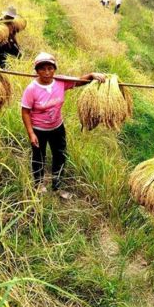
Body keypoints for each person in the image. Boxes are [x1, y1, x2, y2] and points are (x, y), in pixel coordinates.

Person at [21, 52, 106, 199]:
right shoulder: (31, 89)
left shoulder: (60, 82)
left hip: (57, 128)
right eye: (42, 69)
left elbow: (80, 81)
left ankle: (57, 185)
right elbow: (25, 112)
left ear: (55, 69)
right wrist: (31, 133)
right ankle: (39, 184)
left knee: (60, 156)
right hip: (39, 130)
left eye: (50, 68)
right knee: (38, 157)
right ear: (37, 70)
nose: (47, 72)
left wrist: (92, 75)